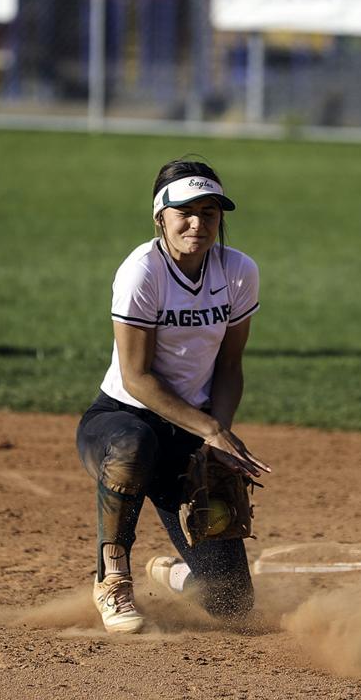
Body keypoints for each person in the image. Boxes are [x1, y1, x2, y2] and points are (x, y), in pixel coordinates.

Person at [76, 158, 272, 634]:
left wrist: (214, 438)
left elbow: (230, 366)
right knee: (132, 446)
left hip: (188, 432)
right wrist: (210, 427)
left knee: (232, 606)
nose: (198, 223)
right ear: (159, 217)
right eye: (185, 211)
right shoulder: (142, 272)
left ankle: (175, 574)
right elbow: (137, 376)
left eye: (209, 212)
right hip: (121, 419)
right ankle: (113, 581)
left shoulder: (238, 271)